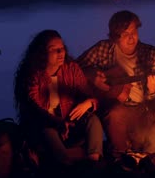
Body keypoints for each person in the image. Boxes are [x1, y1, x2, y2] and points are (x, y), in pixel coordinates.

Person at [76, 10, 155, 160]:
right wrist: (92, 76)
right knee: (115, 114)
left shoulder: (152, 54)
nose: (131, 38)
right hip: (118, 108)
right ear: (115, 36)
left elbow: (153, 101)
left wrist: (153, 89)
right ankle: (122, 156)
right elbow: (75, 68)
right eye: (125, 34)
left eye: (134, 31)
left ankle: (154, 153)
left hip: (144, 108)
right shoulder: (103, 49)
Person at [13, 29, 104, 169]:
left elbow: (90, 95)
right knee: (47, 130)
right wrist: (57, 122)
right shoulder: (32, 74)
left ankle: (94, 162)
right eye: (54, 49)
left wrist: (88, 103)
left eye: (62, 49)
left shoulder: (71, 69)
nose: (60, 53)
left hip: (68, 125)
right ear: (42, 53)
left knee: (93, 120)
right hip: (43, 127)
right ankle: (64, 165)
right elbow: (34, 108)